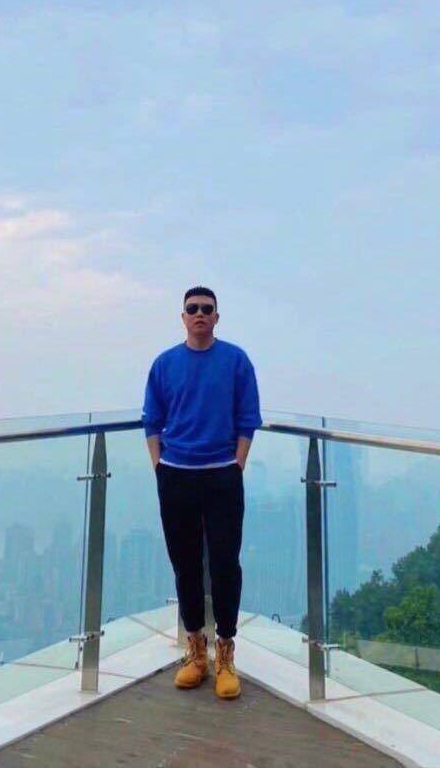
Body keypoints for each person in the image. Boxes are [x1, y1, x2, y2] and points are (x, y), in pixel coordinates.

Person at [142, 286, 261, 699]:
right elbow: (151, 420)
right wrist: (159, 467)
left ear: (216, 317)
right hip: (176, 475)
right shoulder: (165, 364)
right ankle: (195, 651)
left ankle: (225, 653)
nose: (199, 314)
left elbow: (248, 418)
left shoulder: (235, 361)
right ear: (183, 316)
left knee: (226, 564)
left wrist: (236, 464)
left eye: (206, 309)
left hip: (222, 476)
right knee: (185, 565)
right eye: (192, 308)